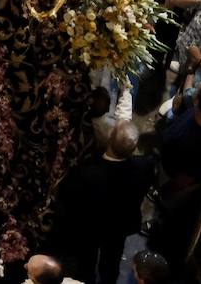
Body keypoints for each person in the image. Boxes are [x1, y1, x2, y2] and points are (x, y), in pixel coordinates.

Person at [57, 121, 154, 284]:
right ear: (134, 147)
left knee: (87, 259)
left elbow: (69, 200)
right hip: (120, 224)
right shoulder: (144, 167)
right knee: (112, 259)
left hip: (91, 226)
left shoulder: (86, 173)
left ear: (109, 139)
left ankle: (87, 279)